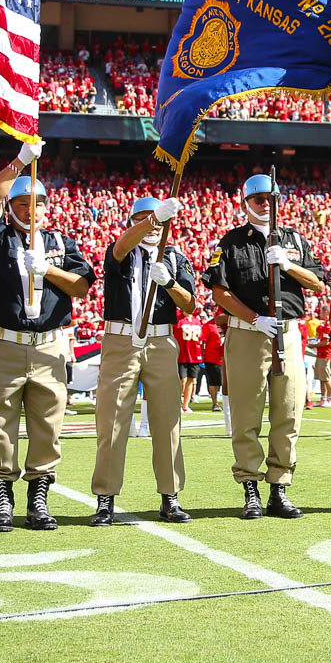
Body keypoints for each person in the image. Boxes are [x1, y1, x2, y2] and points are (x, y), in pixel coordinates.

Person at [0, 143, 95, 532]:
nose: (31, 211)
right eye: (23, 204)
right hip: (3, 342)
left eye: (36, 203)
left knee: (48, 424)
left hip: (48, 343)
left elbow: (81, 286)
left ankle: (39, 496)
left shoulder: (61, 243)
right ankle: (2, 498)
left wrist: (47, 271)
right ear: (12, 208)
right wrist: (20, 162)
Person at [205, 174, 327, 519]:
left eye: (270, 199)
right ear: (246, 203)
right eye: (258, 199)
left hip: (288, 332)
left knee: (288, 414)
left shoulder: (295, 240)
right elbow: (220, 291)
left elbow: (318, 282)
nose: (264, 205)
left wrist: (288, 265)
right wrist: (253, 317)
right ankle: (250, 488)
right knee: (246, 415)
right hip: (248, 332)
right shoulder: (231, 242)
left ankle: (279, 487)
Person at [90, 195, 197, 526]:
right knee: (113, 420)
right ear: (131, 221)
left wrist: (169, 282)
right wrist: (154, 219)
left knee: (167, 421)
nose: (151, 224)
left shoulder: (175, 257)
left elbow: (190, 304)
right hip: (122, 338)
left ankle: (170, 496)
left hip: (162, 339)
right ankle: (105, 499)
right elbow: (120, 249)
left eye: (156, 219)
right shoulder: (121, 250)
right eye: (142, 218)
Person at [176, 307, 205, 412]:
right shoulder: (179, 318)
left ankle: (185, 405)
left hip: (194, 354)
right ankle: (177, 403)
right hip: (182, 354)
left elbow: (201, 338)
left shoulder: (197, 321)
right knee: (181, 380)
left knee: (191, 380)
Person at [202, 305, 226, 412]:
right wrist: (203, 355)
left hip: (224, 357)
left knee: (222, 382)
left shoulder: (227, 324)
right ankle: (215, 402)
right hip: (211, 357)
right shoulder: (208, 325)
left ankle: (222, 401)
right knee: (213, 382)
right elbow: (202, 341)